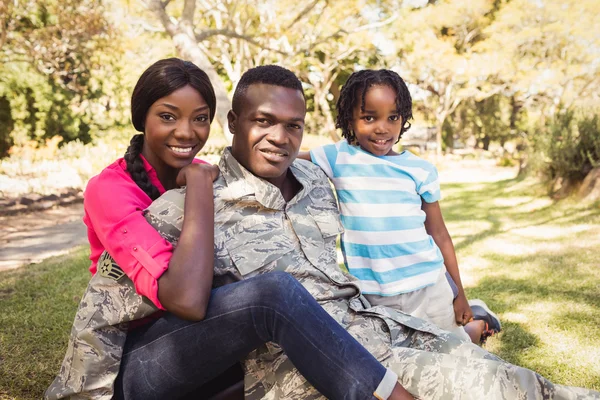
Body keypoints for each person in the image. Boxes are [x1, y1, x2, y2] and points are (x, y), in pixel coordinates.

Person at [143, 65, 599, 399]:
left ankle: (478, 325)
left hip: (384, 321)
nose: (280, 138)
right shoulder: (190, 207)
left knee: (500, 374)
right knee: (483, 388)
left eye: (293, 126)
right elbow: (118, 318)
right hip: (328, 366)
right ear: (233, 123)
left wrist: (456, 291)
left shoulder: (317, 184)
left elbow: (432, 230)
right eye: (263, 121)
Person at [45, 58, 413, 400]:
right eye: (168, 116)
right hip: (138, 356)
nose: (186, 132)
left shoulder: (207, 173)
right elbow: (186, 300)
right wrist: (200, 185)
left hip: (208, 337)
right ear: (142, 117)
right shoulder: (113, 189)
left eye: (200, 118)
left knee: (286, 348)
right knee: (273, 295)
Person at [298, 69, 500, 344]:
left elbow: (439, 234)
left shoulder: (419, 169)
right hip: (373, 293)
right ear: (350, 119)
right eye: (369, 117)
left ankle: (476, 324)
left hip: (430, 285)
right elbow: (285, 158)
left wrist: (459, 294)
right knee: (404, 361)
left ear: (403, 118)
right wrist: (219, 170)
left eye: (393, 117)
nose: (383, 128)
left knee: (454, 351)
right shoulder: (338, 156)